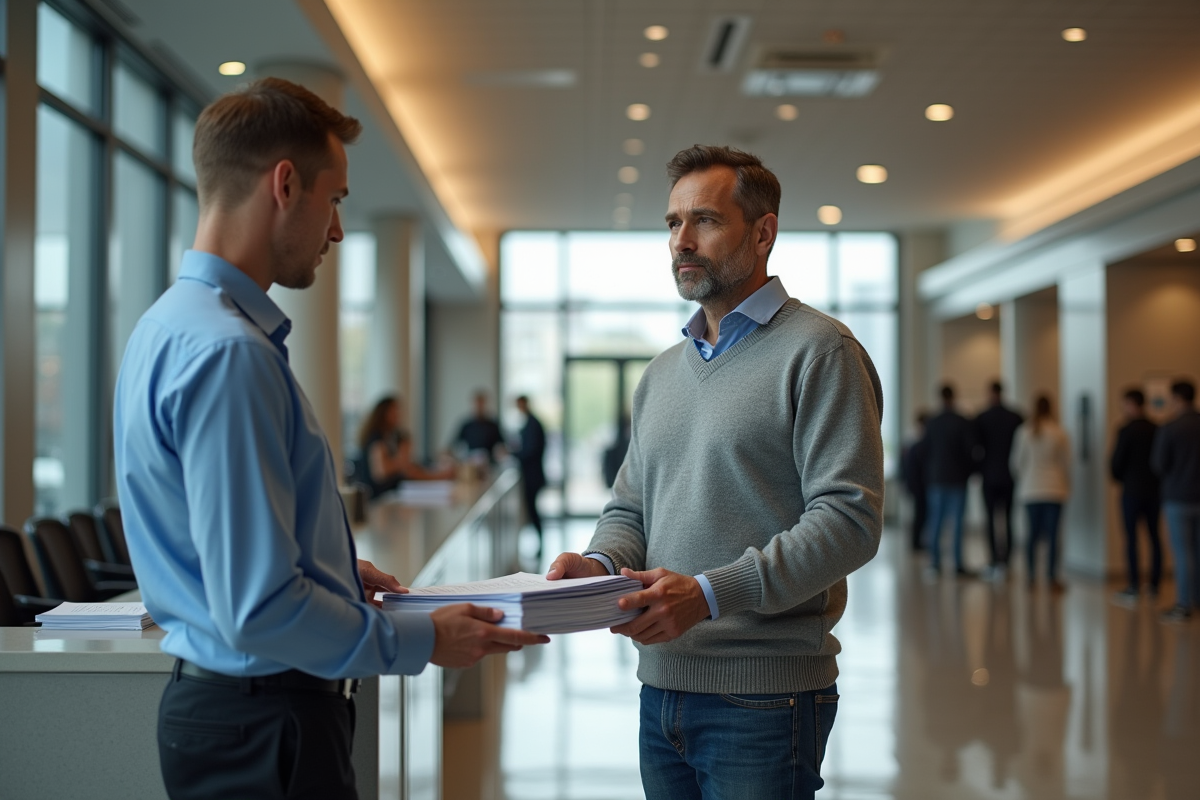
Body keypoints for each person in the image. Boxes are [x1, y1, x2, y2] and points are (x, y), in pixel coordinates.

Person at [113, 78, 547, 800]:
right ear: (285, 185)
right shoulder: (231, 354)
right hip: (267, 726)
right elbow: (256, 607)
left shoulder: (165, 326)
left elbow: (209, 552)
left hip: (226, 716)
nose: (338, 231)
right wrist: (424, 639)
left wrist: (332, 572)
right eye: (336, 200)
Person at [545, 145, 885, 799]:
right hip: (661, 688)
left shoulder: (821, 352)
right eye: (672, 223)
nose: (682, 241)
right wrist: (599, 567)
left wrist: (707, 594)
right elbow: (629, 510)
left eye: (704, 220)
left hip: (766, 698)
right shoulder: (662, 373)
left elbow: (849, 521)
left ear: (763, 232)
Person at [1150, 379, 1200, 622]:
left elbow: (1159, 464)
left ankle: (1183, 603)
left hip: (1178, 497)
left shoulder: (1170, 427)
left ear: (1177, 399)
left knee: (1183, 552)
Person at [1012, 395, 1071, 591]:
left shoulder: (1024, 432)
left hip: (1031, 488)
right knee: (1053, 535)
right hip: (1054, 488)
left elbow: (1016, 464)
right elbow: (1066, 464)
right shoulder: (1059, 432)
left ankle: (1031, 576)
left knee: (1032, 535)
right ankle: (1052, 576)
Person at [1109, 388, 1162, 605]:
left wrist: (1120, 477)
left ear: (1131, 404)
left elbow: (1116, 463)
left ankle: (1133, 585)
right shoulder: (1156, 428)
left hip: (1131, 490)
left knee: (1131, 539)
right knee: (1154, 537)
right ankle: (1155, 584)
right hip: (1154, 491)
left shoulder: (1126, 430)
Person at [356, 395, 455, 500]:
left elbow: (409, 469)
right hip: (380, 498)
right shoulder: (377, 439)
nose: (398, 414)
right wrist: (402, 460)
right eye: (395, 411)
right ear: (384, 414)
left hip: (392, 495)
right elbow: (381, 472)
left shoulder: (390, 437)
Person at [924, 384, 977, 577]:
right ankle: (957, 565)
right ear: (954, 397)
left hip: (937, 479)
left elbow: (926, 451)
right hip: (957, 479)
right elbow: (971, 450)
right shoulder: (962, 421)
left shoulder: (932, 422)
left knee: (936, 522)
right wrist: (969, 472)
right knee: (957, 523)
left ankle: (935, 564)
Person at [974, 381, 1024, 579]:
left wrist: (978, 471)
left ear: (990, 393)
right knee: (1009, 519)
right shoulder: (1016, 417)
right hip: (1010, 476)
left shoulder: (982, 417)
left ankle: (994, 560)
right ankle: (1007, 560)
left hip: (989, 476)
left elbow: (975, 448)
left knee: (990, 520)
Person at [512, 395, 547, 559]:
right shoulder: (530, 423)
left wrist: (513, 452)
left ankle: (541, 544)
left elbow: (530, 451)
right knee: (532, 511)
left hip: (533, 475)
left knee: (533, 511)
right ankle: (540, 543)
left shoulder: (533, 424)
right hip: (531, 474)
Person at [901, 412, 931, 551]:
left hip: (918, 485)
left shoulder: (916, 442)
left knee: (921, 514)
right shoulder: (914, 443)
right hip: (918, 485)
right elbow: (908, 468)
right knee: (919, 514)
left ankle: (918, 541)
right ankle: (916, 542)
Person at [455, 389, 506, 462]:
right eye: (477, 404)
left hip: (489, 463)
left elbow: (502, 444)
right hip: (470, 462)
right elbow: (455, 443)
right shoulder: (467, 425)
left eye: (481, 404)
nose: (479, 407)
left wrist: (501, 452)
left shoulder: (493, 425)